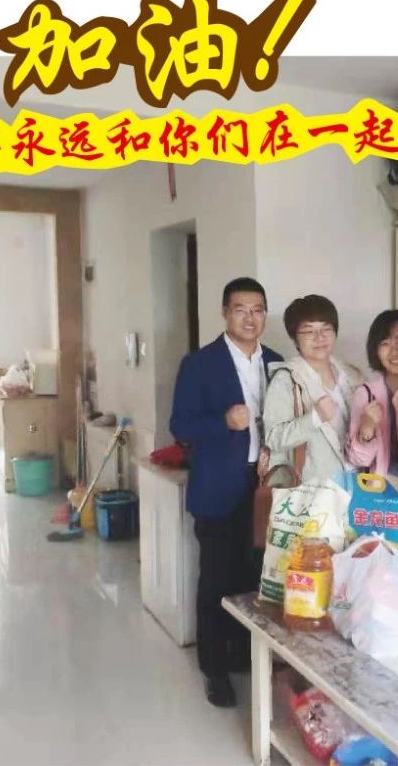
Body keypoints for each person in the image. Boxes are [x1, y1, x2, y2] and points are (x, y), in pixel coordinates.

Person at [169, 277, 284, 709]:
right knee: (217, 579)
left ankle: (242, 653)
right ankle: (215, 669)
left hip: (264, 488)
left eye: (257, 309)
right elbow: (180, 426)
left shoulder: (277, 363)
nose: (250, 318)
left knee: (255, 576)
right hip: (218, 487)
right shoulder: (199, 364)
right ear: (225, 313)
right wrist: (223, 422)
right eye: (241, 309)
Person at [263, 295, 364, 482]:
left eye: (326, 329)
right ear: (295, 339)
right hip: (314, 489)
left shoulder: (352, 375)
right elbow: (273, 438)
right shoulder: (287, 379)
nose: (320, 338)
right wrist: (315, 418)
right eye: (309, 331)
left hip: (357, 484)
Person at [345, 310, 398, 500]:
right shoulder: (367, 393)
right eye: (385, 343)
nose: (394, 352)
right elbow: (358, 460)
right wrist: (367, 429)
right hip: (388, 489)